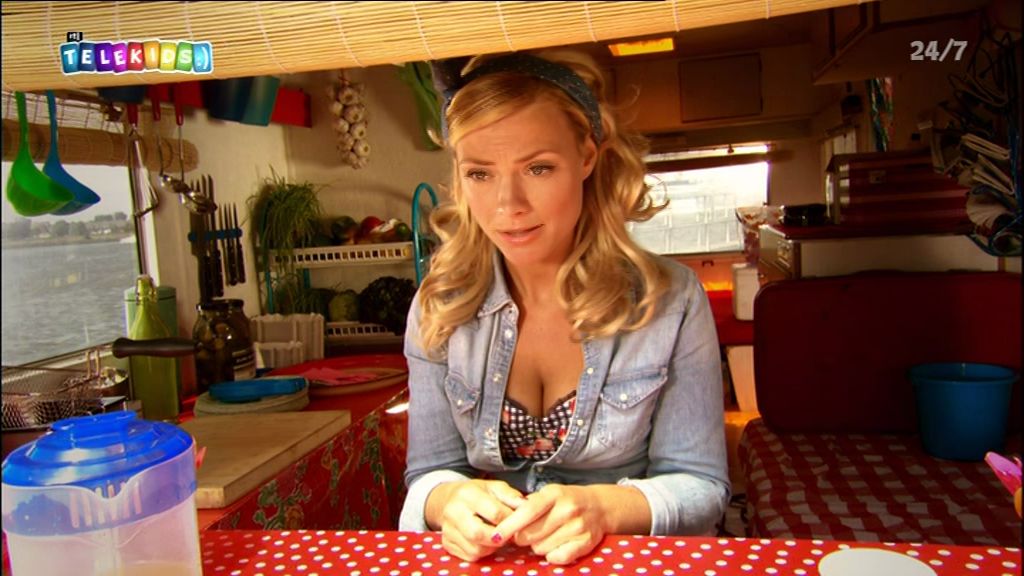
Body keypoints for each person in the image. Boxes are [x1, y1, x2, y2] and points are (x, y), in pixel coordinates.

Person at [399, 49, 730, 566]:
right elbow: (428, 474)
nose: (508, 205)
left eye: (538, 168)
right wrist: (448, 501)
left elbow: (702, 485)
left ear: (587, 157)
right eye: (480, 174)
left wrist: (604, 508)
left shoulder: (671, 299)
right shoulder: (439, 305)